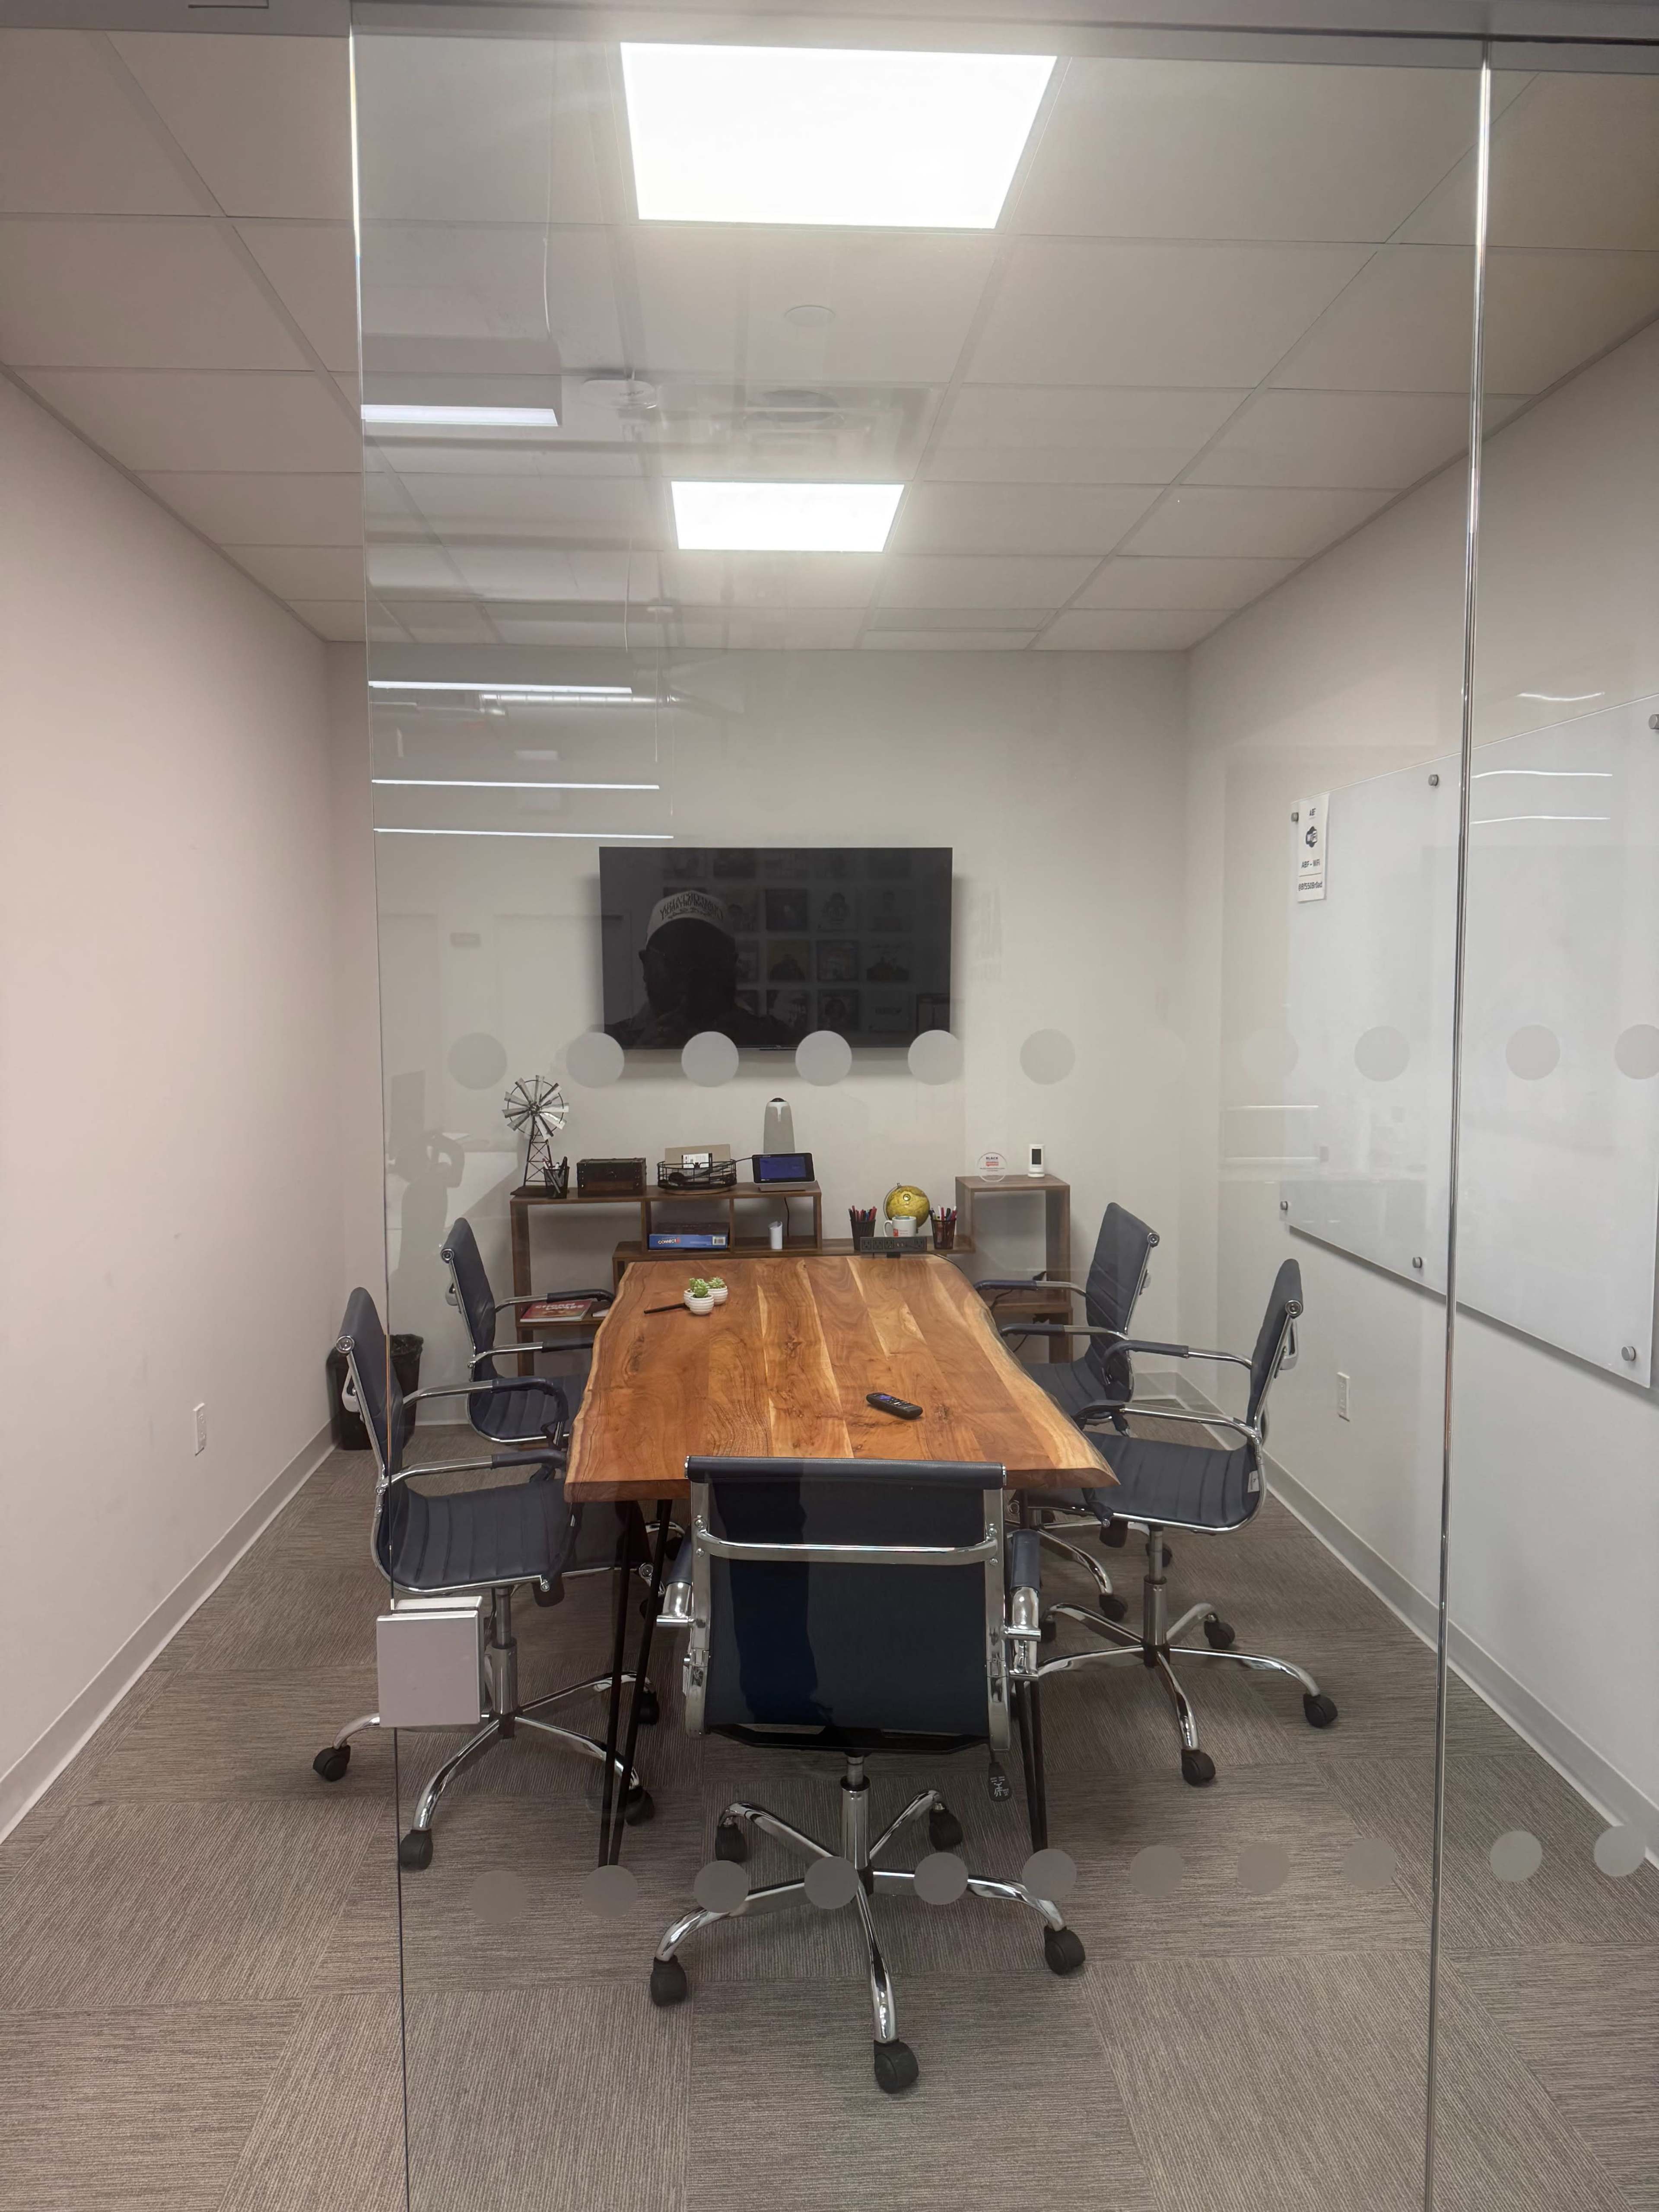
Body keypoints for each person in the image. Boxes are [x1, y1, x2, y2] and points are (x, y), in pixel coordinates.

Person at [606, 888, 796, 1049]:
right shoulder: (608, 1044)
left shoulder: (775, 1040)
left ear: (733, 966)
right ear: (646, 964)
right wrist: (636, 1063)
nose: (690, 975)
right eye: (675, 960)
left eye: (707, 961)